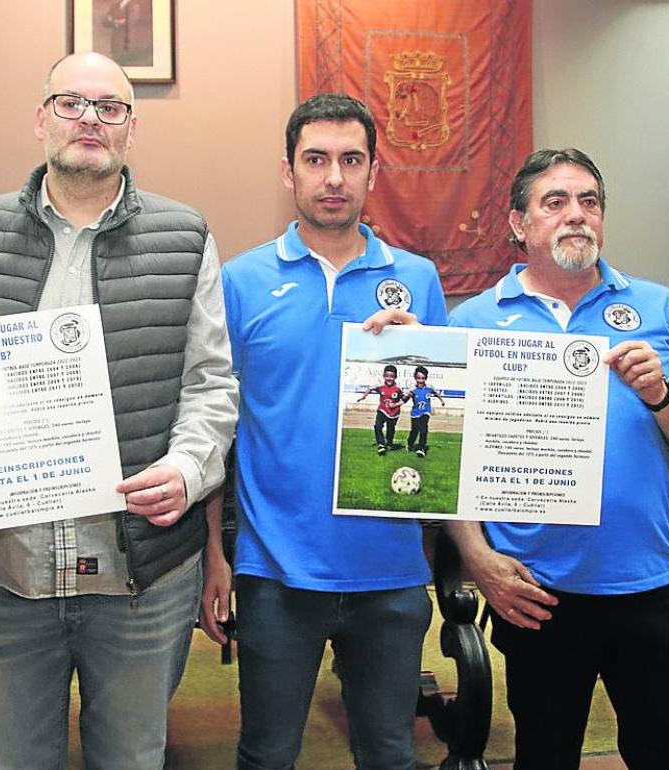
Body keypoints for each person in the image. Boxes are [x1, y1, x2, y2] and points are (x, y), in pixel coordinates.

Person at [0, 52, 237, 770]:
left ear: (131, 128)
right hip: (5, 571)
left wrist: (189, 470)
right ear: (41, 119)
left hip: (139, 578)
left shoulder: (186, 236)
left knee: (132, 759)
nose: (90, 119)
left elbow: (212, 384)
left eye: (111, 107)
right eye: (72, 103)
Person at [446, 148, 669, 769]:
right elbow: (446, 460)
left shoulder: (656, 307)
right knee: (545, 757)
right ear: (519, 225)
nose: (576, 215)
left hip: (651, 588)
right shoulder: (470, 321)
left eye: (590, 202)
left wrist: (661, 393)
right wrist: (477, 557)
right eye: (555, 202)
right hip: (538, 595)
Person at [212, 93, 447, 770]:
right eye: (316, 160)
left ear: (374, 172)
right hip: (276, 570)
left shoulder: (418, 281)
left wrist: (426, 353)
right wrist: (212, 560)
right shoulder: (240, 282)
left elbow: (446, 427)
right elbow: (213, 425)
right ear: (288, 172)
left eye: (351, 160)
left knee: (390, 752)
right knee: (266, 754)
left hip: (390, 569)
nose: (334, 177)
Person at [356, 363, 406, 454]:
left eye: (391, 376)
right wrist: (364, 396)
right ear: (384, 376)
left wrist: (395, 404)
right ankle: (381, 444)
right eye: (387, 376)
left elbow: (404, 399)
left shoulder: (398, 388)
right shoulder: (380, 386)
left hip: (394, 413)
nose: (389, 378)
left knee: (390, 428)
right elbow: (370, 388)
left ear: (395, 377)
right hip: (382, 410)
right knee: (377, 426)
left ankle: (389, 442)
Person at [404, 365, 445, 457]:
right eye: (418, 378)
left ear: (425, 378)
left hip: (425, 412)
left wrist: (441, 400)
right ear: (415, 378)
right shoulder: (412, 389)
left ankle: (421, 448)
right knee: (414, 430)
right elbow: (405, 397)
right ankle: (410, 443)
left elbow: (436, 393)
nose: (420, 380)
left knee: (423, 429)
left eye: (423, 378)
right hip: (415, 413)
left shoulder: (429, 387)